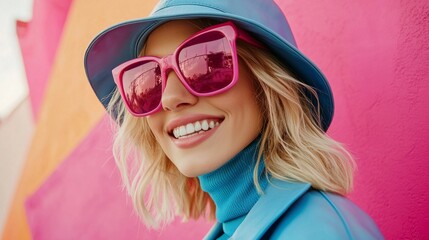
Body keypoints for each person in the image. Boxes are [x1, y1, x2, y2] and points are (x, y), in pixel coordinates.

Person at [84, 0, 384, 239]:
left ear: (267, 83)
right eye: (147, 78)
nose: (170, 97)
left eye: (206, 61)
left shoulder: (318, 232)